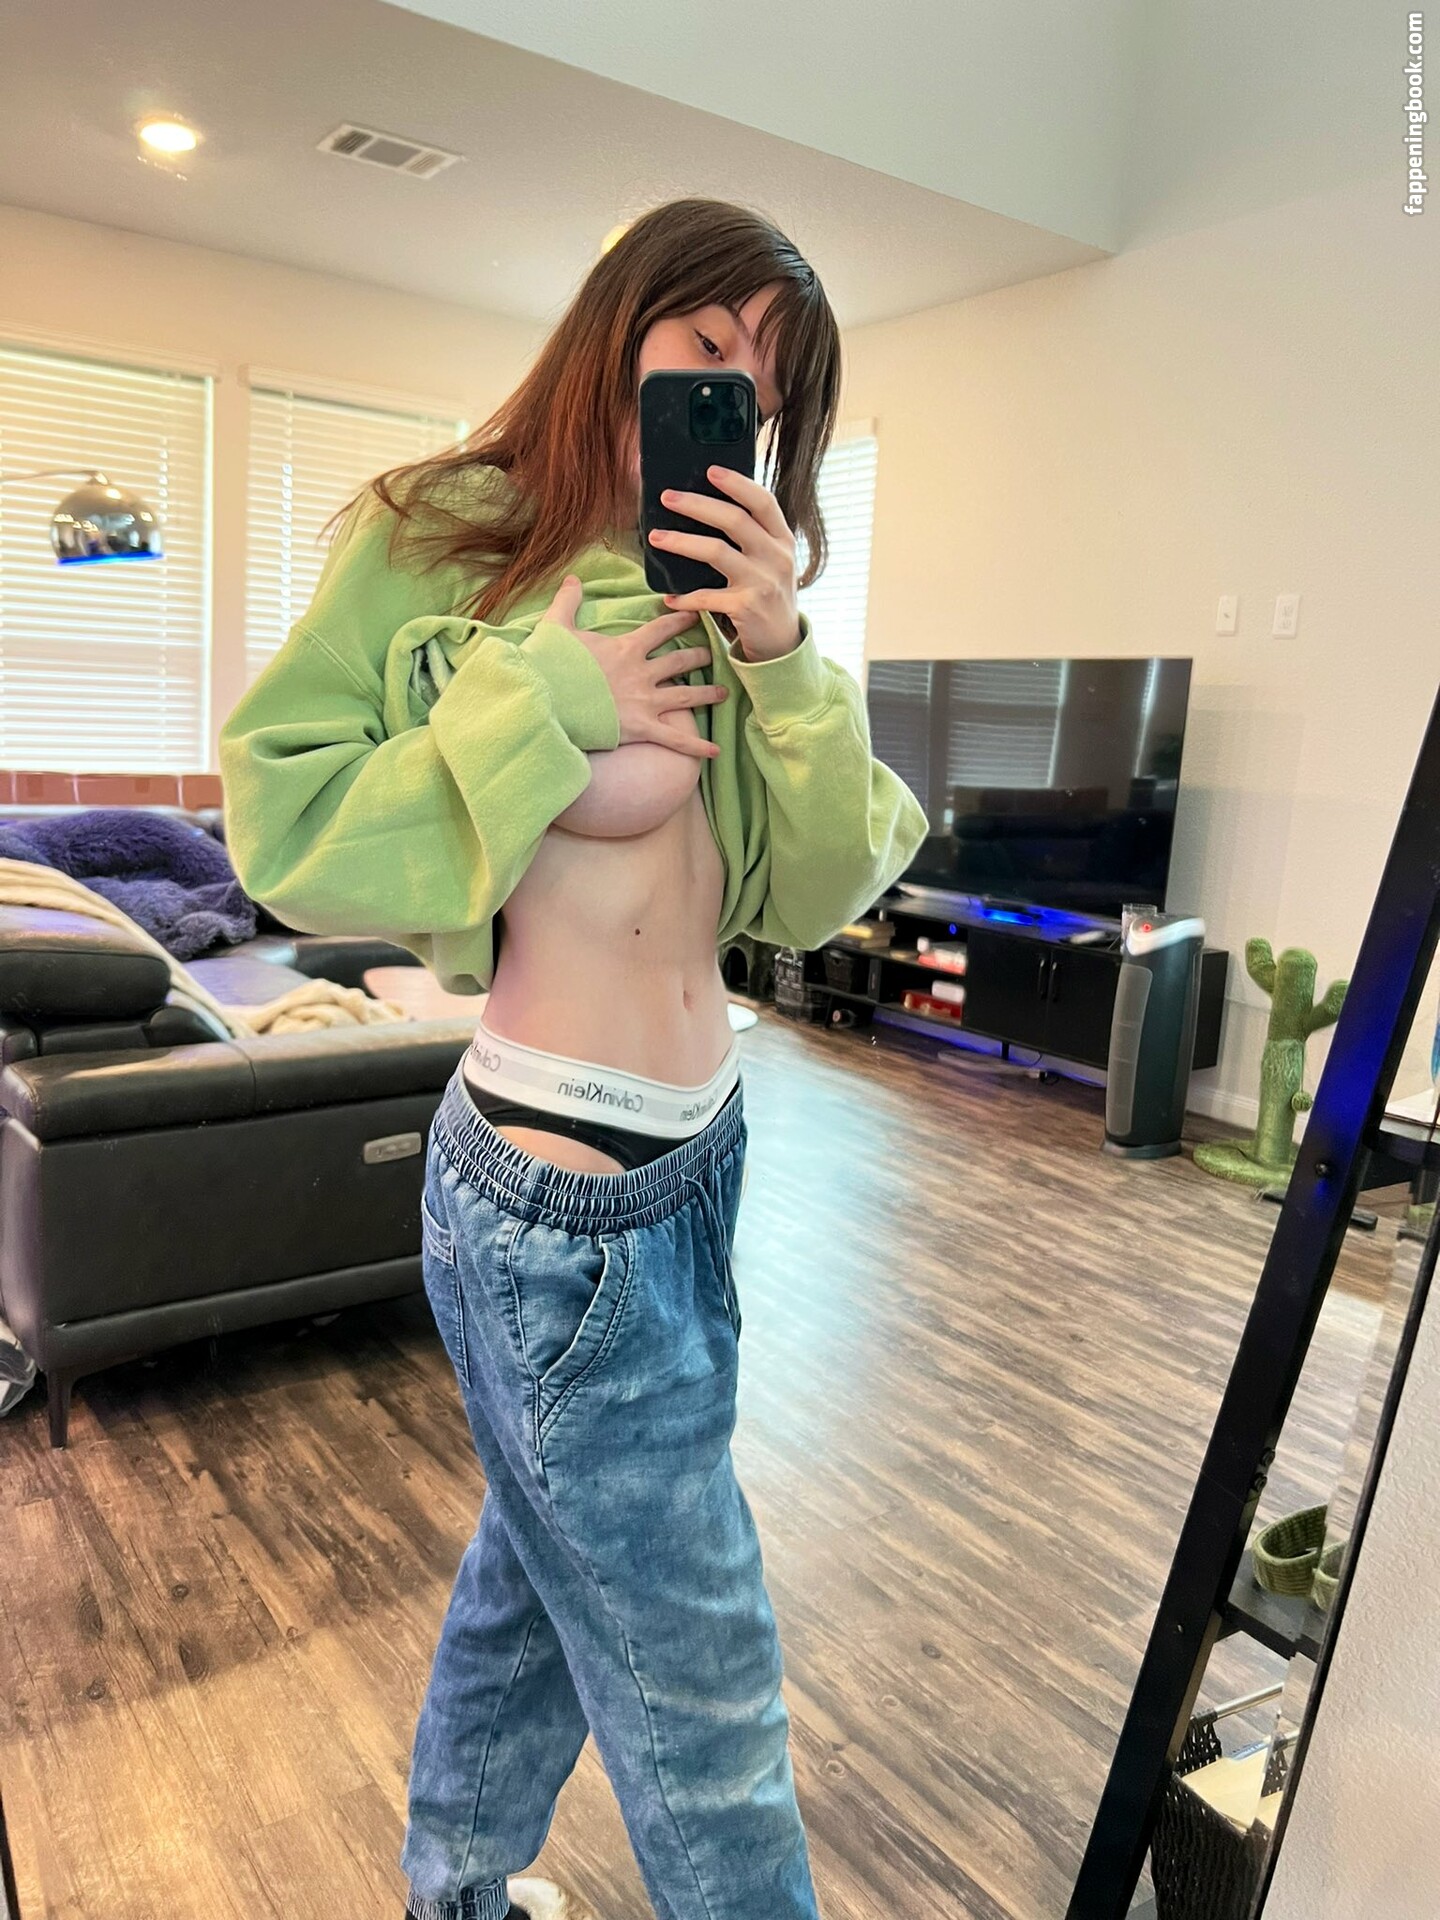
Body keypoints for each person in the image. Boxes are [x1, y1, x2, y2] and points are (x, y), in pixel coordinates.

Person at [219, 197, 928, 1920]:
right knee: (705, 1690)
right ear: (623, 321)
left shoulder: (725, 591)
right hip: (557, 1193)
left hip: (700, 1164)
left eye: (768, 392)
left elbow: (819, 888)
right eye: (707, 346)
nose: (731, 401)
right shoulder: (439, 538)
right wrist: (546, 696)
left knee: (539, 1584)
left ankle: (453, 1888)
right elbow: (285, 831)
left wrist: (785, 656)